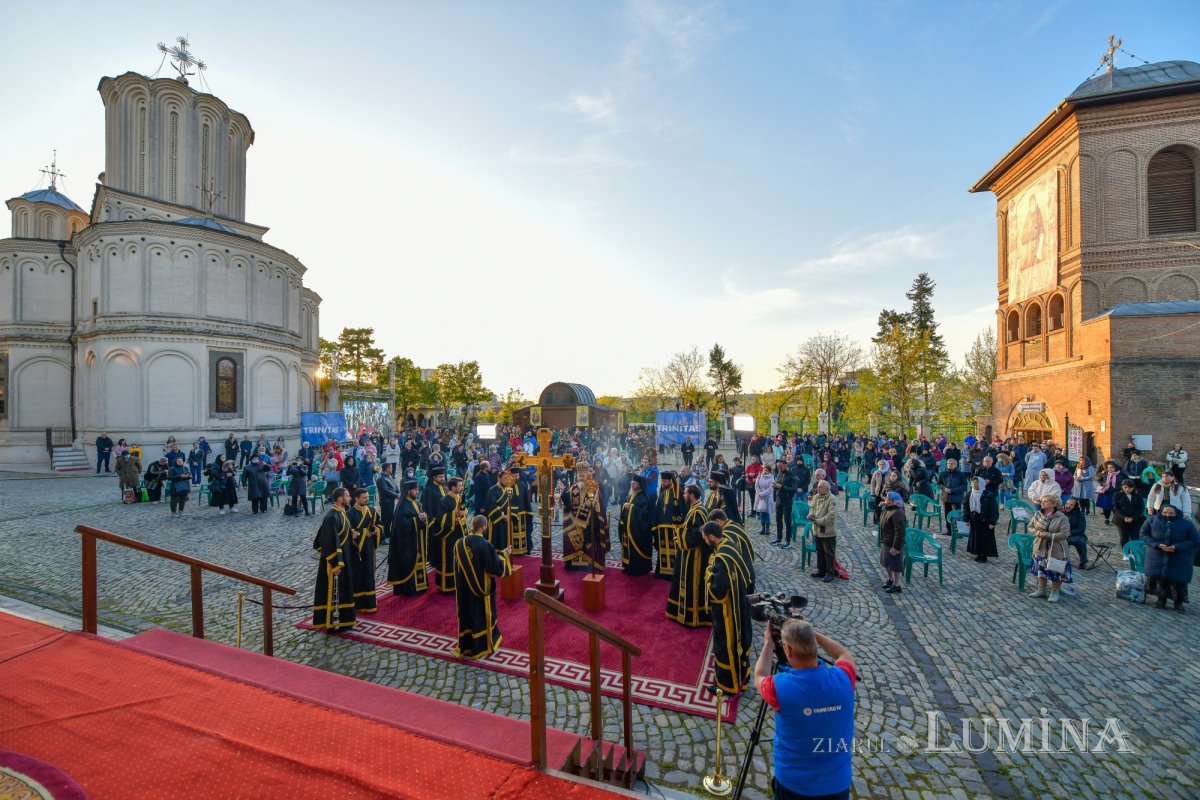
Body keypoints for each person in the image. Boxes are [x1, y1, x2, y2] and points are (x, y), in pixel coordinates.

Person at [754, 620, 856, 800]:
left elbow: (760, 675)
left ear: (789, 651)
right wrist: (811, 633)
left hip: (794, 784)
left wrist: (769, 643)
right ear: (814, 646)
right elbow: (842, 654)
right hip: (837, 784)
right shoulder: (845, 678)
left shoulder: (779, 687)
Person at [702, 521, 754, 695]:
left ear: (711, 537)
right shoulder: (729, 545)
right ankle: (741, 678)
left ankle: (727, 685)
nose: (704, 541)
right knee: (737, 643)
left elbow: (717, 591)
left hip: (727, 612)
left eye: (705, 538)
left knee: (726, 645)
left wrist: (709, 572)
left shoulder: (721, 559)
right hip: (739, 602)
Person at [452, 515, 513, 659]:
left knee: (467, 615)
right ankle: (482, 646)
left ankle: (466, 646)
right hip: (480, 590)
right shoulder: (485, 545)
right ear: (484, 527)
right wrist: (504, 554)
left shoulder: (459, 543)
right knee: (480, 615)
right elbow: (494, 567)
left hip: (464, 589)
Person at [1140, 504, 1199, 612]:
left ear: (1176, 513)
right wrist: (1157, 545)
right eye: (1165, 512)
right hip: (1157, 556)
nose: (1168, 515)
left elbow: (1195, 540)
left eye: (1171, 513)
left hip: (1179, 558)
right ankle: (1161, 600)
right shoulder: (1152, 521)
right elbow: (1144, 534)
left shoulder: (1187, 524)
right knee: (1160, 579)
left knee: (1178, 581)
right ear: (1161, 512)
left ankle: (1179, 603)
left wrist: (1177, 547)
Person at [667, 484, 711, 627]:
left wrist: (679, 534)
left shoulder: (697, 512)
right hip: (691, 554)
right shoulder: (696, 508)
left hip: (693, 557)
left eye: (685, 493)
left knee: (691, 584)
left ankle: (690, 616)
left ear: (692, 495)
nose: (683, 495)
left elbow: (694, 536)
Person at [312, 487, 355, 632]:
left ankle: (345, 620)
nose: (350, 498)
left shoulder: (341, 513)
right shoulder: (331, 516)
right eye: (348, 496)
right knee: (335, 591)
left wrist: (351, 534)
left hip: (345, 559)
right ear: (340, 499)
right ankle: (334, 621)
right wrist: (336, 564)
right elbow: (329, 542)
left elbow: (342, 535)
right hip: (335, 563)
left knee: (344, 589)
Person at [562, 463, 609, 571]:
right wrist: (562, 493)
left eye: (584, 473)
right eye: (580, 474)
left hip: (592, 520)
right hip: (575, 521)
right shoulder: (575, 486)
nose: (581, 476)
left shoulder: (594, 484)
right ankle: (576, 564)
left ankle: (589, 564)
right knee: (575, 538)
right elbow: (569, 502)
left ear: (588, 473)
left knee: (590, 540)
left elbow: (597, 503)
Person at [387, 478, 429, 595]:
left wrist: (423, 518)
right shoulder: (402, 506)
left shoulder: (415, 502)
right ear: (409, 491)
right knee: (409, 563)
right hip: (407, 543)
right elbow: (402, 526)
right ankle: (409, 590)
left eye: (417, 490)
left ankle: (420, 586)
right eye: (415, 490)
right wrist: (418, 519)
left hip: (416, 540)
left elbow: (418, 517)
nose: (417, 492)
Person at [1028, 495, 1071, 602]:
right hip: (1040, 546)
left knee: (1056, 570)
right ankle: (1041, 590)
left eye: (1046, 501)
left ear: (1054, 504)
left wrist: (1048, 535)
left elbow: (1065, 534)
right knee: (1041, 569)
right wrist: (1038, 533)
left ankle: (1055, 592)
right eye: (1042, 501)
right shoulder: (1038, 514)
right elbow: (1030, 526)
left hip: (1057, 548)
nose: (1042, 503)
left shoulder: (1062, 517)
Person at [429, 477, 468, 594]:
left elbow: (464, 509)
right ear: (453, 487)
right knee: (450, 559)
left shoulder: (459, 497)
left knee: (460, 558)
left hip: (460, 534)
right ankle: (447, 586)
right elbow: (439, 520)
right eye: (460, 486)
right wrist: (453, 514)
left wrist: (463, 512)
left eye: (461, 486)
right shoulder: (444, 501)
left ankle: (460, 582)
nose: (461, 488)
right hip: (449, 536)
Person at [347, 488, 381, 613]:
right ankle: (359, 603)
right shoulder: (349, 514)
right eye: (364, 497)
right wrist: (362, 533)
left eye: (367, 497)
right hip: (356, 551)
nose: (367, 499)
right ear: (356, 498)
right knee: (358, 575)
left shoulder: (371, 510)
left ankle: (371, 602)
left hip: (369, 548)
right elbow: (349, 533)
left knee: (369, 573)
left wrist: (377, 530)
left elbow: (380, 524)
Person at [618, 474, 654, 576]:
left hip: (637, 530)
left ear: (640, 485)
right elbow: (626, 506)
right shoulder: (630, 495)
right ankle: (627, 565)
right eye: (631, 484)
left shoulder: (643, 498)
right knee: (627, 547)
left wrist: (632, 508)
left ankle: (638, 568)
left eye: (634, 484)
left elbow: (646, 515)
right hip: (627, 528)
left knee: (635, 549)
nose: (632, 486)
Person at [654, 471, 683, 579]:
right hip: (662, 528)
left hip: (673, 528)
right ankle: (662, 572)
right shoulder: (662, 493)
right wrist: (655, 525)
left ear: (670, 481)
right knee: (662, 550)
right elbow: (657, 510)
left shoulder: (678, 492)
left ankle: (673, 574)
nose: (662, 483)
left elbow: (683, 509)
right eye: (661, 481)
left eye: (665, 481)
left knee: (674, 551)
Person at [807, 480, 837, 582]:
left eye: (820, 487)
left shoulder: (832, 499)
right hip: (817, 530)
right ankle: (821, 570)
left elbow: (831, 516)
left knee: (829, 553)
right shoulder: (816, 496)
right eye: (818, 487)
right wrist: (811, 514)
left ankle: (830, 573)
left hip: (828, 531)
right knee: (819, 551)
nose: (818, 489)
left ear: (827, 489)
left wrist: (818, 521)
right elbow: (812, 507)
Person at [966, 476, 999, 564]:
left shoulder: (988, 494)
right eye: (973, 482)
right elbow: (966, 507)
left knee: (984, 537)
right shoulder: (970, 493)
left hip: (985, 519)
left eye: (976, 482)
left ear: (980, 483)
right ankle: (978, 554)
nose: (974, 484)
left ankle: (984, 556)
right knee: (976, 537)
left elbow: (993, 509)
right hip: (974, 518)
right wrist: (966, 519)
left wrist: (992, 521)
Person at [878, 491, 906, 592]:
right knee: (886, 562)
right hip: (886, 540)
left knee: (895, 564)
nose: (885, 499)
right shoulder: (887, 509)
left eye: (887, 498)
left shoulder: (897, 513)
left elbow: (900, 532)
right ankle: (890, 579)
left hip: (893, 543)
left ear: (892, 501)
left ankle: (897, 584)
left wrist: (897, 547)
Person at [486, 467, 520, 552]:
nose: (507, 481)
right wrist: (502, 516)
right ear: (499, 479)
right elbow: (491, 505)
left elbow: (513, 503)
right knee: (496, 540)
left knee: (505, 540)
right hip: (496, 521)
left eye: (509, 478)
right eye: (505, 478)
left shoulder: (509, 489)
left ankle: (505, 556)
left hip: (507, 520)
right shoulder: (492, 490)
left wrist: (511, 514)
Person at [1113, 479, 1146, 548]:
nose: (1127, 489)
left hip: (1136, 520)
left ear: (1133, 487)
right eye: (1125, 487)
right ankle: (1126, 553)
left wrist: (1133, 517)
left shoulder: (1138, 496)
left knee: (1135, 537)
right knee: (1124, 538)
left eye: (1129, 487)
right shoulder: (1117, 495)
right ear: (1122, 487)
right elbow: (1116, 507)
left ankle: (1135, 553)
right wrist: (1124, 517)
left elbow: (1141, 508)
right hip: (1121, 520)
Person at [937, 459, 969, 530]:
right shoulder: (942, 473)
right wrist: (944, 488)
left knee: (956, 515)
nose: (949, 465)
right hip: (946, 497)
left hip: (957, 497)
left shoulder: (961, 474)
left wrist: (952, 491)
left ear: (956, 465)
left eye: (951, 464)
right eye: (948, 463)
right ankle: (949, 531)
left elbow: (964, 486)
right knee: (947, 514)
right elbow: (939, 484)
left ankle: (958, 530)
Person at [1063, 497, 1088, 569]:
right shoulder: (1062, 513)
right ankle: (1064, 559)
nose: (1068, 506)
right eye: (1067, 504)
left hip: (1076, 534)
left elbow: (1081, 529)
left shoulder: (1080, 514)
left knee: (1081, 542)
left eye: (1071, 505)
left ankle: (1083, 561)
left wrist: (1070, 532)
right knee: (1063, 541)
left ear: (1075, 506)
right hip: (1063, 534)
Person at [753, 466, 776, 536]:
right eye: (764, 470)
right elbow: (756, 486)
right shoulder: (759, 477)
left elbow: (770, 489)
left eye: (766, 470)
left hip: (767, 498)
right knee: (762, 513)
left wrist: (762, 494)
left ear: (769, 471)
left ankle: (767, 528)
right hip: (760, 498)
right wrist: (759, 493)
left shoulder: (772, 479)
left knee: (767, 514)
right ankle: (763, 528)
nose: (765, 471)